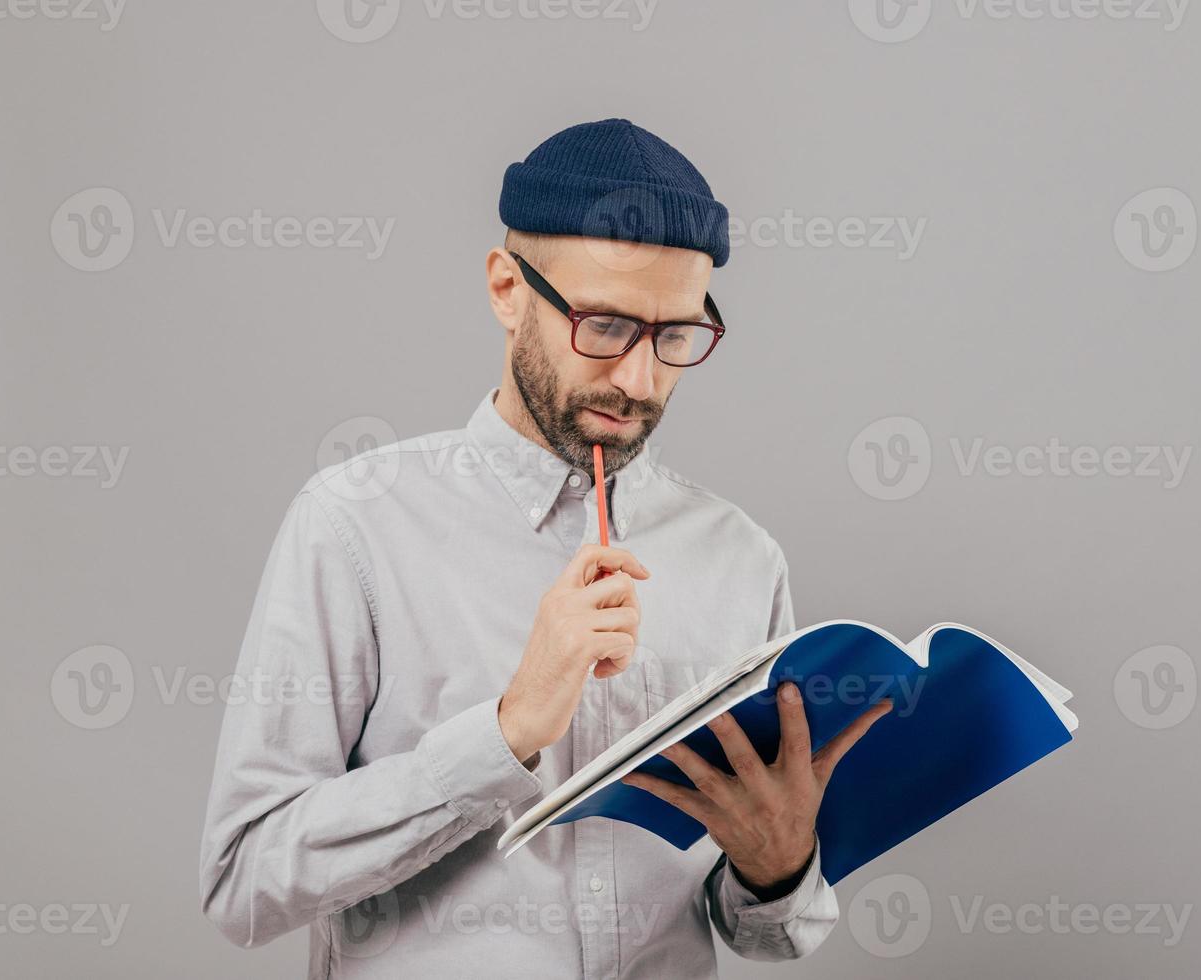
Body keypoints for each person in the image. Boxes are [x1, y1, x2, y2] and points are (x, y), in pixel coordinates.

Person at [198, 117, 891, 978]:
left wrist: (778, 865)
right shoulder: (354, 524)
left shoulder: (741, 558)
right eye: (603, 326)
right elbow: (243, 884)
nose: (638, 382)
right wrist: (507, 730)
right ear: (506, 288)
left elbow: (765, 935)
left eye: (675, 336)